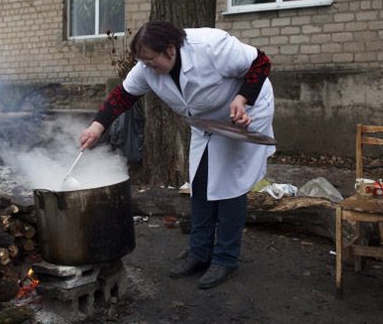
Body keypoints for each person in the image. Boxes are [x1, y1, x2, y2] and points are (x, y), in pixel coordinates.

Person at [80, 21, 275, 289]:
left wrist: (243, 99)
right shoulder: (148, 66)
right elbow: (123, 95)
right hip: (206, 122)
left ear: (170, 50)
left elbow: (261, 62)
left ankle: (225, 259)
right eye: (143, 62)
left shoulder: (210, 45)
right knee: (200, 183)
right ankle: (199, 253)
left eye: (151, 60)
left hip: (243, 114)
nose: (147, 67)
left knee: (230, 187)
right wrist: (97, 125)